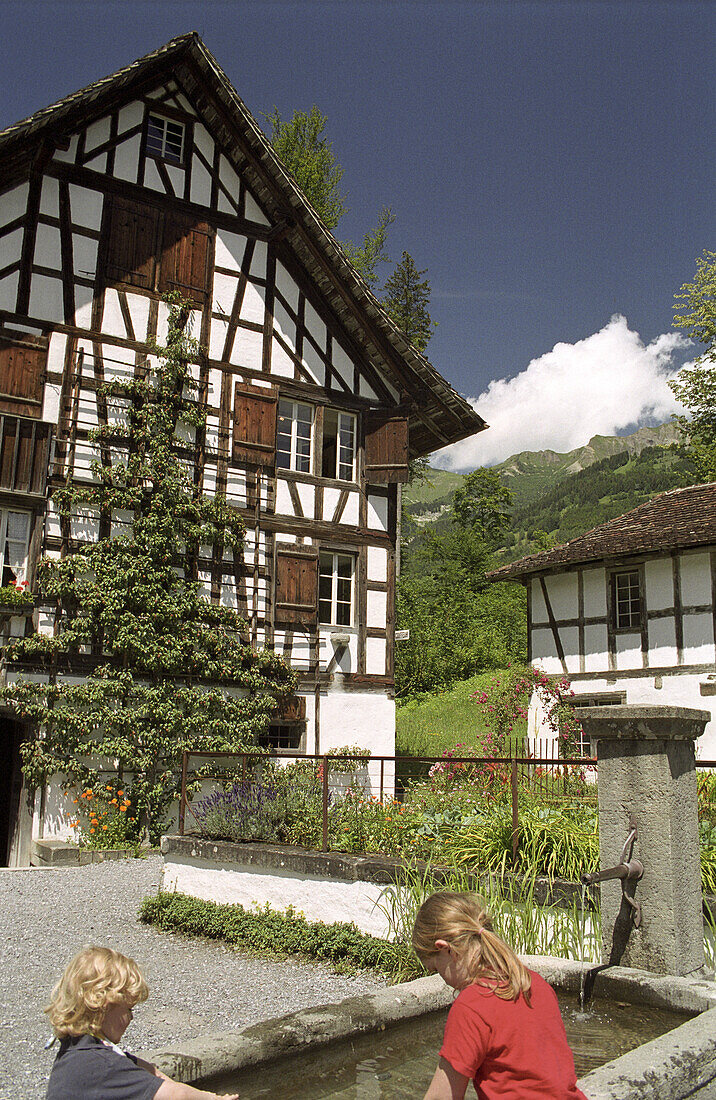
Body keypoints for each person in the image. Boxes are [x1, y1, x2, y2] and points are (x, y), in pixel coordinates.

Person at [412, 892, 588, 1100]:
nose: (443, 980)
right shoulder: (534, 983)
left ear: (446, 949)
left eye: (436, 969)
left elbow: (441, 1098)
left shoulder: (471, 1007)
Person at [45, 946, 239, 1100]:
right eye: (129, 1010)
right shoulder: (100, 1065)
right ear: (104, 1006)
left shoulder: (81, 1046)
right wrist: (212, 1099)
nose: (131, 1018)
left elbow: (153, 1073)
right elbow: (176, 1096)